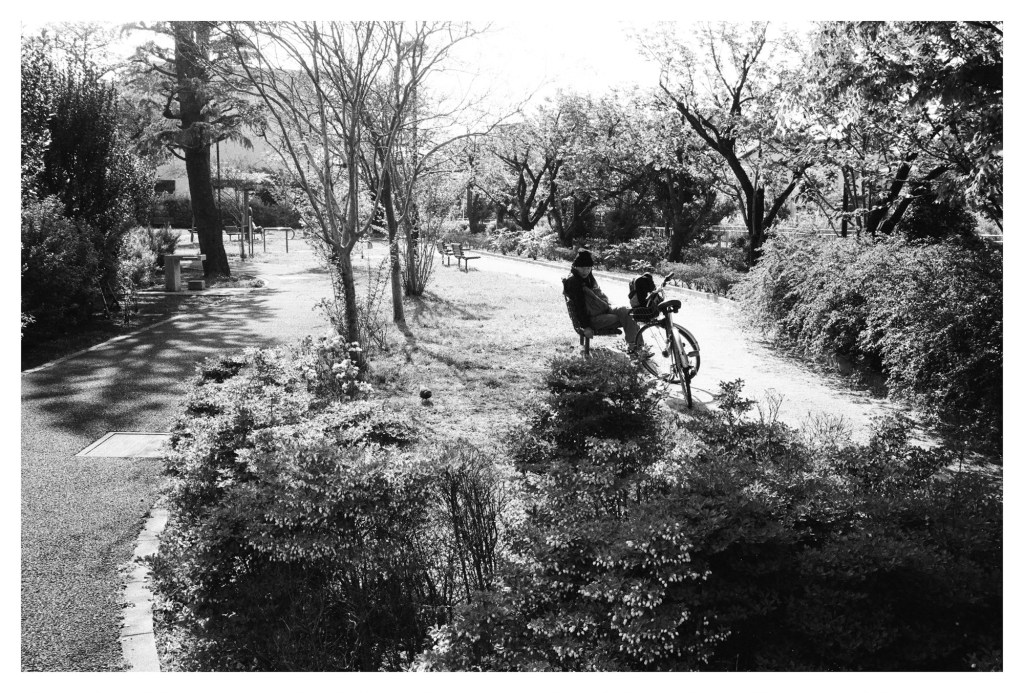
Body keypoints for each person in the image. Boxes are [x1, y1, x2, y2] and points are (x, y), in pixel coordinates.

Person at [563, 248, 641, 348]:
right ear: (575, 266)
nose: (585, 271)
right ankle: (635, 347)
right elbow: (579, 307)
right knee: (627, 318)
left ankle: (636, 346)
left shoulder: (587, 277)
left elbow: (598, 295)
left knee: (628, 311)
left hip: (603, 309)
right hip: (592, 319)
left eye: (588, 268)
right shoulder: (574, 282)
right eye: (582, 268)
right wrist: (586, 327)